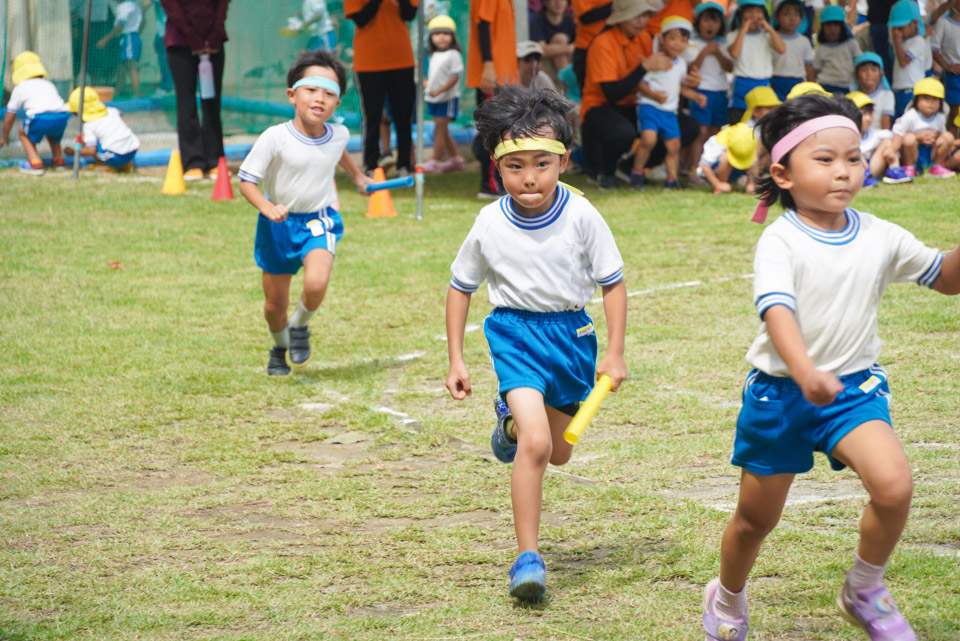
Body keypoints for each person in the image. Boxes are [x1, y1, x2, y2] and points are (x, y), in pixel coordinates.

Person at [703, 92, 960, 641]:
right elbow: (777, 311)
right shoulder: (781, 239)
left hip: (852, 390)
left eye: (854, 158)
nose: (844, 172)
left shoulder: (879, 234)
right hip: (781, 395)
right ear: (784, 173)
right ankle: (726, 597)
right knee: (755, 521)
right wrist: (803, 371)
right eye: (825, 159)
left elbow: (944, 276)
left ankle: (865, 590)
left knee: (894, 487)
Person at [445, 86, 627, 603]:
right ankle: (528, 557)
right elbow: (461, 288)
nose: (530, 178)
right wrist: (457, 357)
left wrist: (614, 351)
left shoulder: (583, 216)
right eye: (516, 165)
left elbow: (612, 283)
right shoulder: (488, 222)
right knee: (539, 445)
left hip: (571, 338)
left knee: (561, 452)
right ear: (496, 167)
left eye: (543, 164)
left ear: (564, 162)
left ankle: (509, 420)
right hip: (514, 335)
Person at [237, 51, 372, 376]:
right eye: (312, 90)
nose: (319, 98)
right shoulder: (275, 137)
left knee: (316, 282)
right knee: (274, 306)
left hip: (319, 219)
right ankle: (280, 346)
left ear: (337, 104)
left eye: (329, 93)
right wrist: (267, 207)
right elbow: (246, 181)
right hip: (277, 226)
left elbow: (336, 152)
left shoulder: (338, 133)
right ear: (292, 95)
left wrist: (357, 177)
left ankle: (299, 327)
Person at [579, 0, 676, 189]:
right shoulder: (603, 43)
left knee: (682, 128)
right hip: (599, 108)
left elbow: (660, 74)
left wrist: (687, 80)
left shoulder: (645, 39)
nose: (642, 21)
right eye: (636, 16)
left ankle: (628, 167)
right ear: (621, 18)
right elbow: (612, 95)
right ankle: (605, 172)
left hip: (637, 105)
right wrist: (644, 67)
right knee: (622, 133)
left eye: (645, 15)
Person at [631, 16, 707, 189]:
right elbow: (641, 83)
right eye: (672, 38)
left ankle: (672, 180)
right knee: (648, 140)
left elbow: (680, 87)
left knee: (674, 146)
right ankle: (636, 173)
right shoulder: (655, 60)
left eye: (682, 40)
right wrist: (653, 95)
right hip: (649, 107)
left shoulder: (681, 64)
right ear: (662, 39)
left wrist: (695, 96)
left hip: (669, 111)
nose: (677, 44)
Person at [345, 0, 418, 177]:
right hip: (369, 62)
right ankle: (371, 165)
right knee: (372, 115)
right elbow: (361, 19)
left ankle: (404, 165)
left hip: (401, 59)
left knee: (403, 116)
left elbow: (409, 14)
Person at [161, 0, 231, 181]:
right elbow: (171, 6)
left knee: (212, 102)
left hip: (213, 41)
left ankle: (215, 160)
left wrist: (214, 32)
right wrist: (190, 34)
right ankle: (193, 162)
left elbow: (222, 4)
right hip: (180, 42)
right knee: (186, 102)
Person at [467, 0, 519, 198]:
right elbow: (483, 25)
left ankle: (495, 183)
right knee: (493, 132)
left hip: (503, 76)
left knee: (500, 130)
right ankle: (490, 184)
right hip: (493, 75)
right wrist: (488, 65)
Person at [0, 52, 71, 176]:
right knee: (53, 134)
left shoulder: (21, 87)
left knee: (23, 132)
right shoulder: (49, 84)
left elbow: (11, 115)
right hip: (62, 116)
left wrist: (4, 136)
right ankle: (58, 160)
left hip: (39, 116)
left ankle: (35, 162)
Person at [685, 2, 732, 174]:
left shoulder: (723, 44)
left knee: (715, 131)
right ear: (698, 22)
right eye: (706, 20)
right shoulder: (692, 43)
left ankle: (708, 167)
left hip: (720, 92)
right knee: (700, 131)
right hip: (701, 92)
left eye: (715, 21)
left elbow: (730, 67)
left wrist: (717, 52)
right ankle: (694, 167)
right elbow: (691, 69)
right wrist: (705, 51)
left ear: (721, 25)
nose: (710, 25)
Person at [725, 0, 786, 124]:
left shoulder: (767, 35)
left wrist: (769, 28)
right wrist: (743, 30)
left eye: (758, 11)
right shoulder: (733, 35)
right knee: (739, 121)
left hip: (763, 83)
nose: (754, 15)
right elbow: (735, 53)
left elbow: (781, 49)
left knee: (761, 122)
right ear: (741, 14)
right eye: (749, 11)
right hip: (742, 84)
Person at [422, 15, 465, 174]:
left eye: (445, 33)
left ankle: (436, 160)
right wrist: (428, 85)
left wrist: (439, 91)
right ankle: (456, 159)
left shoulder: (453, 55)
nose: (441, 37)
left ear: (452, 37)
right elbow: (435, 77)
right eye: (436, 33)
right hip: (435, 97)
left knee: (439, 129)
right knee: (443, 130)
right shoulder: (433, 55)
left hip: (447, 98)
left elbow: (454, 78)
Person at [891, 77, 957, 177]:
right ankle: (909, 167)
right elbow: (898, 131)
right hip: (913, 150)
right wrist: (919, 138)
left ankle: (935, 166)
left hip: (931, 150)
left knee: (948, 136)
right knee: (909, 138)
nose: (930, 102)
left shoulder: (940, 117)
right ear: (917, 100)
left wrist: (934, 136)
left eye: (935, 99)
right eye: (926, 98)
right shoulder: (910, 116)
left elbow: (942, 133)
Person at [64, 87, 141, 171]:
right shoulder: (111, 111)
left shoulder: (90, 125)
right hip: (132, 150)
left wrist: (73, 152)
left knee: (83, 138)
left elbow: (91, 151)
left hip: (115, 157)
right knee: (100, 139)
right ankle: (125, 164)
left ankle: (109, 166)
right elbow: (120, 112)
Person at [846, 91, 899, 187]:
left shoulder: (873, 133)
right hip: (851, 171)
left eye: (870, 114)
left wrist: (891, 150)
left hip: (870, 169)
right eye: (863, 114)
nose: (868, 118)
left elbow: (893, 135)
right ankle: (862, 177)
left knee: (887, 142)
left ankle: (895, 171)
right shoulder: (844, 134)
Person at [889, 0, 929, 119]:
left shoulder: (917, 41)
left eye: (901, 28)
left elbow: (903, 61)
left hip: (911, 90)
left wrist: (896, 41)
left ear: (914, 23)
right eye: (895, 28)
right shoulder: (902, 42)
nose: (898, 32)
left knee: (910, 122)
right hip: (899, 89)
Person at [770, 0, 815, 101]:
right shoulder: (771, 38)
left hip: (797, 82)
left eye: (796, 14)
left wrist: (812, 88)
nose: (792, 18)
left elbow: (809, 67)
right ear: (777, 17)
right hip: (775, 81)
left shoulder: (804, 41)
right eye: (786, 14)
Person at [97, 0, 143, 96]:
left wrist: (105, 39)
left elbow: (120, 26)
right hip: (130, 37)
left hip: (129, 37)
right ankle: (117, 92)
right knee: (121, 67)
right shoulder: (135, 5)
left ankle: (137, 94)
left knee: (131, 67)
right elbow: (144, 22)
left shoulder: (125, 6)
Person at [812, 5, 861, 95]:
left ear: (842, 27)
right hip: (825, 86)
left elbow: (859, 62)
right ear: (822, 28)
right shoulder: (820, 48)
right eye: (828, 25)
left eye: (836, 25)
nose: (832, 29)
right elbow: (815, 70)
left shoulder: (851, 44)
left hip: (848, 86)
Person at [697, 122, 759, 193]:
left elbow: (754, 163)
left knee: (754, 161)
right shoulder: (718, 142)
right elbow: (705, 166)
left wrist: (751, 183)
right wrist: (718, 184)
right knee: (725, 157)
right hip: (713, 171)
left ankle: (751, 183)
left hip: (735, 168)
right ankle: (722, 181)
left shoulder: (749, 143)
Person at [931, 0, 960, 136]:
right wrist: (947, 66)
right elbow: (934, 48)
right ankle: (950, 146)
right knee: (954, 112)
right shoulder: (944, 22)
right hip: (953, 75)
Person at [530, 0, 577, 79]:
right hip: (545, 63)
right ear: (545, 2)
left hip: (567, 60)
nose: (558, 2)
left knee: (560, 40)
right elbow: (540, 49)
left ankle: (567, 82)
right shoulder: (538, 19)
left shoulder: (570, 20)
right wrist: (569, 48)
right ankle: (569, 83)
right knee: (559, 39)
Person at [571, 0, 612, 91]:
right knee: (588, 91)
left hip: (611, 46)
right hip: (586, 47)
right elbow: (585, 17)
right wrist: (615, 6)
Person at [852, 52, 895, 131]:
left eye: (873, 70)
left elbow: (885, 126)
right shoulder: (852, 97)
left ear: (881, 74)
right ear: (856, 75)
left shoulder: (887, 95)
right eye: (863, 70)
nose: (869, 74)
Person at [143, 0, 174, 95]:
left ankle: (166, 87)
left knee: (165, 59)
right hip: (167, 32)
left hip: (166, 32)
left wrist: (137, 13)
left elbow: (146, 4)